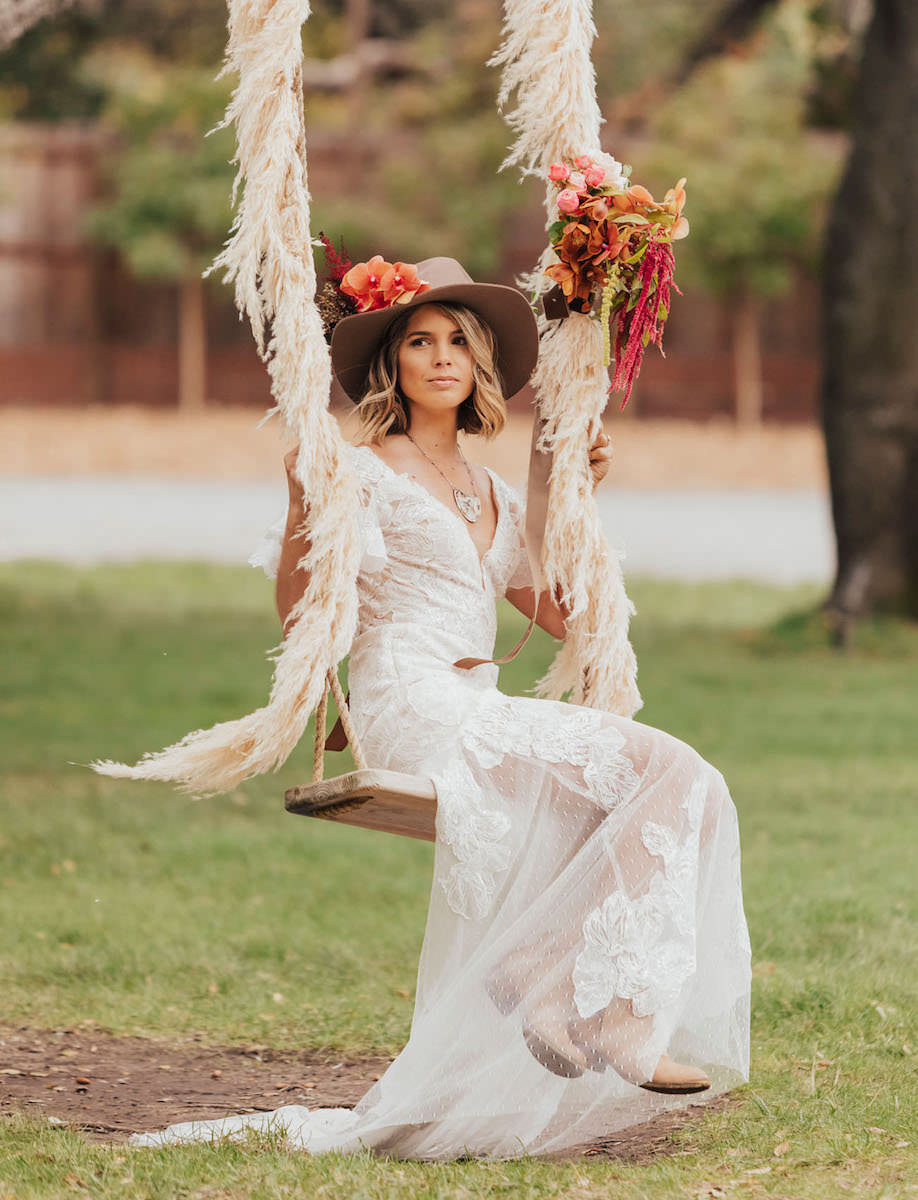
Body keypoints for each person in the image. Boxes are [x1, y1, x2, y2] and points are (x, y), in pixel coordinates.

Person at [131, 257, 751, 1159]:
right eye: (419, 341)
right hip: (409, 700)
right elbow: (304, 609)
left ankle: (555, 976)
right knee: (668, 769)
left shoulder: (491, 491)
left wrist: (569, 490)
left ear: (482, 363)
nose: (441, 355)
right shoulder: (361, 471)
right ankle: (571, 992)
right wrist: (307, 497)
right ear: (392, 363)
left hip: (475, 697)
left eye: (459, 339)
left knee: (683, 779)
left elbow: (564, 614)